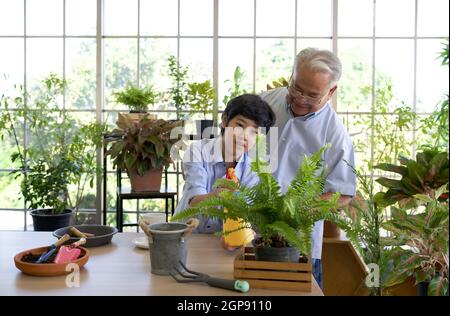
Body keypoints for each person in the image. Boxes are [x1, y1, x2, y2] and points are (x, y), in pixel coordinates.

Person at [260, 47, 357, 289]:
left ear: (331, 91)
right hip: (250, 234)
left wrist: (297, 211)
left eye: (312, 95)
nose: (301, 99)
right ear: (291, 76)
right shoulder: (264, 102)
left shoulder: (336, 135)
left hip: (298, 244)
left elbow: (343, 193)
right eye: (296, 88)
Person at [174, 94, 276, 245]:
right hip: (186, 237)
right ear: (224, 120)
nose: (245, 136)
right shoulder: (197, 151)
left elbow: (247, 214)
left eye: (254, 132)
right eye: (240, 125)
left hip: (225, 242)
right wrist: (220, 194)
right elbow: (195, 201)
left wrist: (243, 232)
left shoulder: (256, 167)